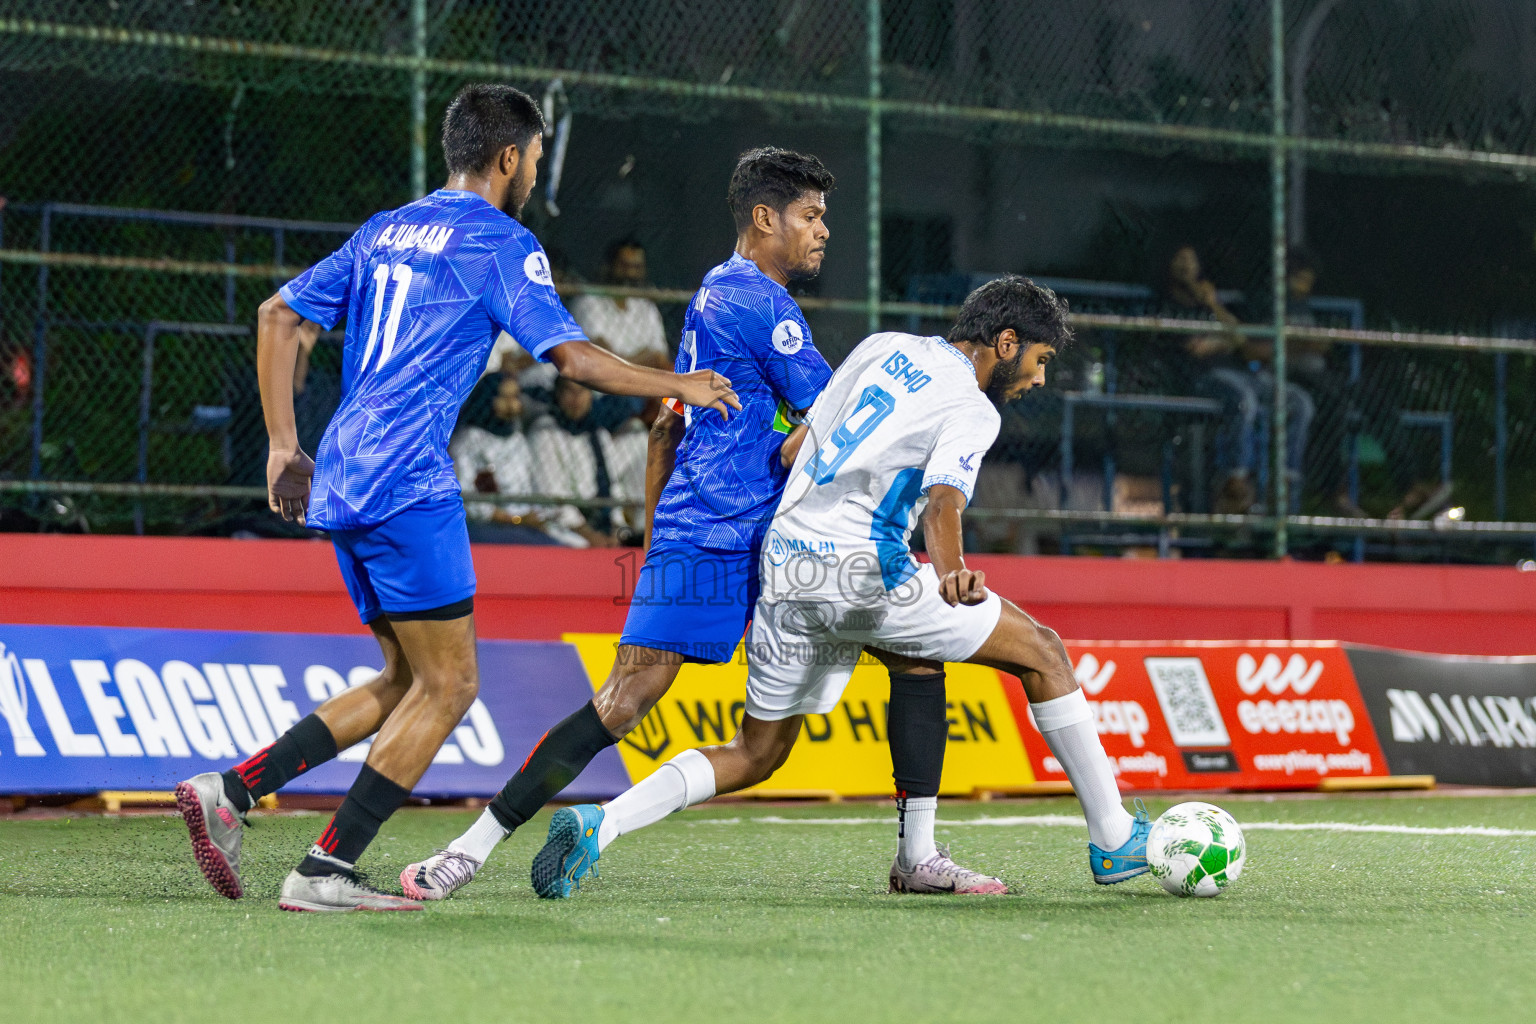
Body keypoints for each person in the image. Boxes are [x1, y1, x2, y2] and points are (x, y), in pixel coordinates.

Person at [172, 83, 738, 913]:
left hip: (343, 469)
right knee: (451, 687)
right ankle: (325, 870)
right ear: (510, 157)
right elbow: (574, 360)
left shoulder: (386, 228)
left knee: (406, 677)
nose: (536, 172)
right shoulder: (501, 243)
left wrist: (283, 446)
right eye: (537, 158)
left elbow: (276, 315)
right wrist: (676, 380)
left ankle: (233, 790)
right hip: (407, 479)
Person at [401, 146, 1006, 899]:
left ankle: (471, 851)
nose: (824, 232)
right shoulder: (764, 307)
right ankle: (917, 857)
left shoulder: (711, 294)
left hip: (707, 530)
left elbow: (666, 427)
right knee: (902, 663)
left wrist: (658, 539)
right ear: (765, 218)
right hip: (761, 534)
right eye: (811, 216)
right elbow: (837, 424)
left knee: (639, 706)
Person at [530, 276, 1151, 898]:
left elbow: (796, 444)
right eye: (1041, 360)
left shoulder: (881, 347)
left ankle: (601, 822)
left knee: (760, 749)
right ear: (1006, 341)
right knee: (1043, 650)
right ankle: (1114, 837)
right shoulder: (973, 407)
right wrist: (951, 569)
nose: (1040, 378)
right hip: (861, 573)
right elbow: (942, 503)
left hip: (788, 562)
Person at [1164, 245, 1314, 514]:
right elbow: (1195, 347)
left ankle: (1285, 480)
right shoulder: (1169, 302)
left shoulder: (1210, 300)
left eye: (1191, 261)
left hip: (1244, 372)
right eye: (1180, 261)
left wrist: (1212, 304)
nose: (1187, 267)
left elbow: (1240, 338)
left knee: (1300, 402)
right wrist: (1227, 342)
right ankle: (1235, 479)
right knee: (1245, 400)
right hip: (1204, 376)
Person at [527, 376, 644, 547]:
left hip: (600, 522)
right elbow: (553, 498)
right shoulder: (544, 431)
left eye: (582, 391)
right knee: (579, 545)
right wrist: (590, 535)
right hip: (564, 525)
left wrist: (616, 528)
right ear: (557, 394)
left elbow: (612, 485)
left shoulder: (598, 432)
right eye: (569, 391)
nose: (576, 398)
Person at [450, 373, 563, 546]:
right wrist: (516, 520)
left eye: (515, 397)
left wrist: (537, 516)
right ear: (488, 399)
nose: (512, 405)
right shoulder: (468, 441)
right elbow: (468, 499)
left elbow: (533, 486)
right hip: (487, 526)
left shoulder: (517, 438)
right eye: (505, 397)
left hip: (525, 523)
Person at [570, 237, 671, 369]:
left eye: (637, 267)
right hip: (601, 384)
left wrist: (622, 363)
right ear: (609, 266)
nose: (630, 273)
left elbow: (660, 358)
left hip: (644, 384)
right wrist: (643, 359)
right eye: (624, 266)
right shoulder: (588, 302)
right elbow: (602, 357)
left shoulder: (646, 306)